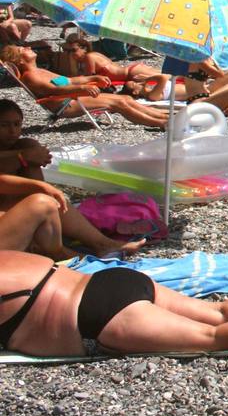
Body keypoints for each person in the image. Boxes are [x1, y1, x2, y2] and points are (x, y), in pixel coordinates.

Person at [0, 249, 228, 357]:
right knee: (217, 312)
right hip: (114, 280)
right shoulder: (8, 255)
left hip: (95, 317)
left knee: (211, 338)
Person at [0, 100, 145, 259]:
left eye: (17, 124)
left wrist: (27, 158)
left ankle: (100, 243)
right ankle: (58, 252)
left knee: (47, 194)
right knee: (43, 202)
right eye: (4, 125)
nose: (12, 131)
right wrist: (27, 164)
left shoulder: (23, 146)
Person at [0, 46, 170, 128]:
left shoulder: (39, 70)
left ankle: (165, 117)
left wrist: (93, 78)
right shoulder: (31, 76)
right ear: (20, 60)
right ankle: (162, 124)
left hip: (73, 97)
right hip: (67, 104)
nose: (29, 47)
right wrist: (82, 89)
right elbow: (54, 91)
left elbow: (69, 81)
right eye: (23, 49)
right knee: (119, 104)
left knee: (124, 98)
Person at [119, 74, 228, 120]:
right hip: (199, 98)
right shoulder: (151, 95)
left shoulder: (151, 89)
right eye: (131, 85)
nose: (133, 83)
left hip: (205, 90)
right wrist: (147, 80)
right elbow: (164, 77)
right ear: (134, 92)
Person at [60, 34, 156, 84]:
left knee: (168, 78)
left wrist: (69, 79)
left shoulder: (90, 57)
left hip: (131, 73)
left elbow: (90, 79)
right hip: (132, 71)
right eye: (68, 51)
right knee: (168, 78)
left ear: (83, 48)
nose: (71, 54)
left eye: (73, 50)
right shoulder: (94, 54)